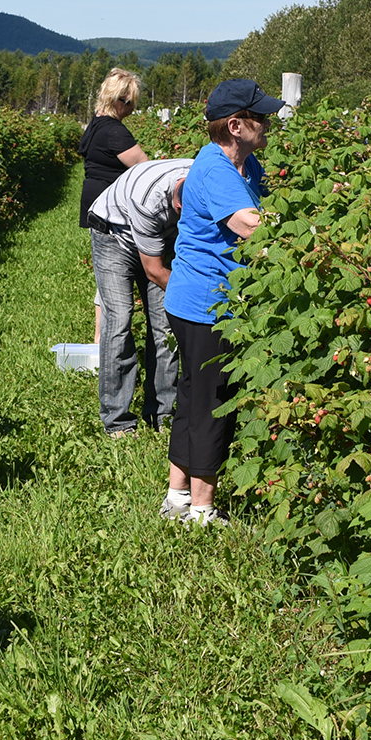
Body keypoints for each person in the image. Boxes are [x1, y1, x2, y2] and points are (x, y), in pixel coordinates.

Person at [160, 79, 281, 528]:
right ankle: (202, 510)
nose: (268, 125)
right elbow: (252, 227)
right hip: (209, 305)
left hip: (198, 299)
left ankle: (176, 496)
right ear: (235, 125)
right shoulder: (216, 169)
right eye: (261, 118)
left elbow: (269, 201)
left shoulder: (244, 166)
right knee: (212, 402)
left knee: (193, 396)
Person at [88, 156, 194, 437]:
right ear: (178, 204)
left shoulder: (204, 178)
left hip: (162, 234)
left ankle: (162, 414)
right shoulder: (150, 199)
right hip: (113, 234)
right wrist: (193, 296)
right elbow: (155, 271)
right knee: (119, 320)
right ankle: (118, 421)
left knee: (165, 326)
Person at [80, 69, 149, 340]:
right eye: (130, 102)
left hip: (96, 204)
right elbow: (144, 167)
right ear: (118, 100)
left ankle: (100, 337)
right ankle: (104, 340)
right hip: (113, 210)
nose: (132, 109)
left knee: (105, 277)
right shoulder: (114, 131)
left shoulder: (97, 122)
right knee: (113, 278)